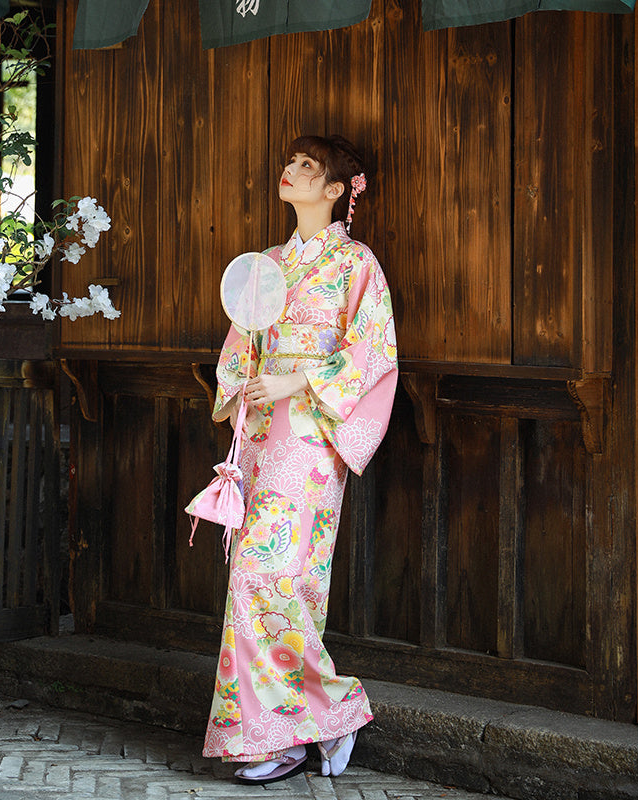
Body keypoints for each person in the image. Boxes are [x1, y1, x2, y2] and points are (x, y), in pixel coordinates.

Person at [202, 134, 398, 784]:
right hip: (263, 431)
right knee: (268, 583)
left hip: (313, 434)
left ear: (337, 190)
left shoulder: (355, 263)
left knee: (266, 575)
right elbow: (241, 345)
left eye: (307, 166)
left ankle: (322, 715)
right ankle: (294, 729)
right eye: (290, 162)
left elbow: (373, 349)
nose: (290, 171)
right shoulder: (268, 262)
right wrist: (244, 386)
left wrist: (296, 380)